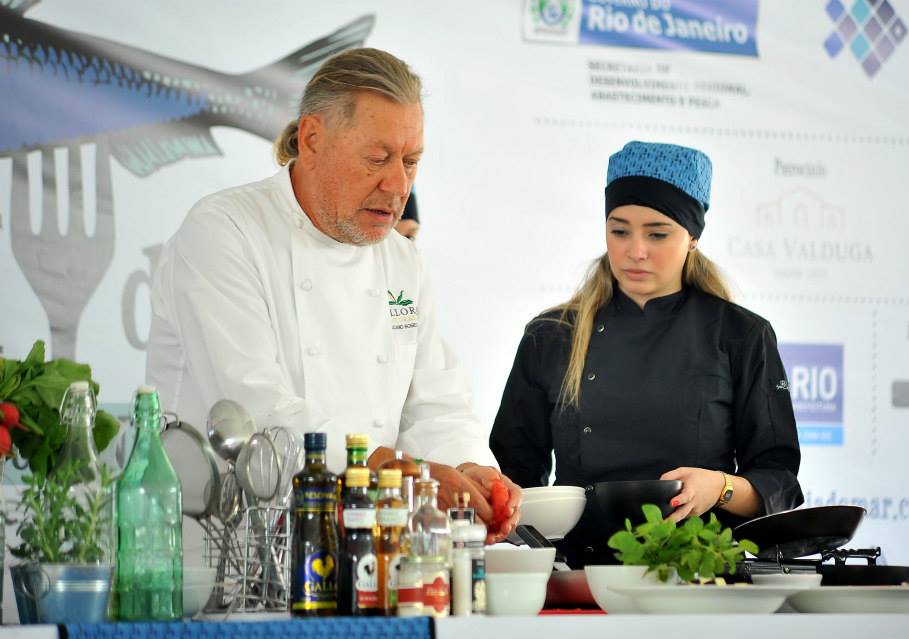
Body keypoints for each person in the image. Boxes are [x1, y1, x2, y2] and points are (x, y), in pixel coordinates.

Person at [146, 48, 519, 540]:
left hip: (365, 551)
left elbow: (435, 404)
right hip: (224, 556)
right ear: (312, 138)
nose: (398, 184)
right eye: (378, 159)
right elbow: (254, 413)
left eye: (411, 161)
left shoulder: (402, 261)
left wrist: (472, 472)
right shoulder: (225, 231)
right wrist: (399, 470)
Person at [489, 141, 802, 566]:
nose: (635, 250)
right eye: (619, 231)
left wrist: (720, 487)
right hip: (580, 571)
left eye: (657, 233)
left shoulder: (741, 335)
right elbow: (514, 478)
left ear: (692, 237)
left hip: (700, 572)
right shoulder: (552, 336)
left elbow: (778, 481)